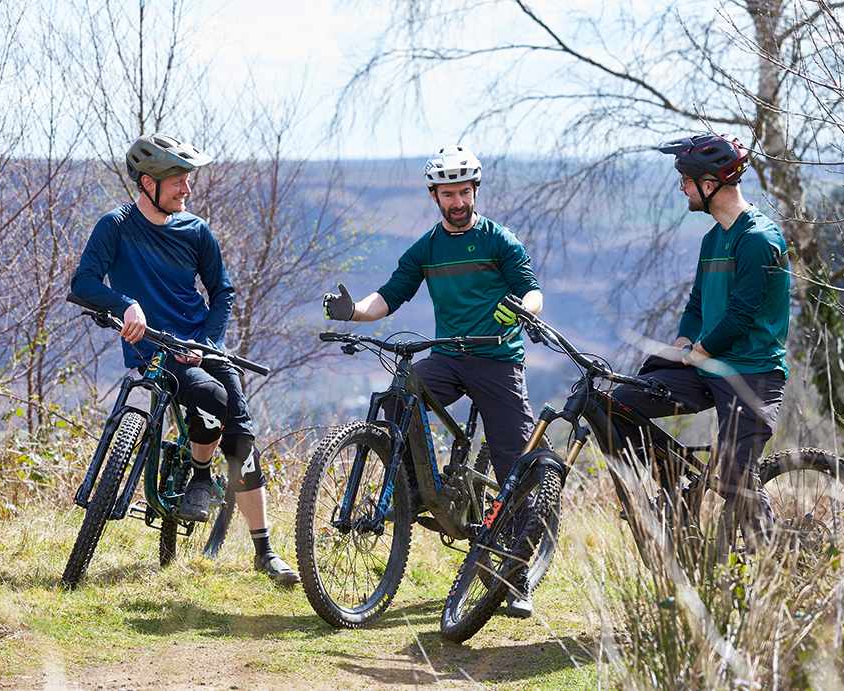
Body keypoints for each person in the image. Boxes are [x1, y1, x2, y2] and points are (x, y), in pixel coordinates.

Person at [322, 144, 544, 617]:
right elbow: (390, 295)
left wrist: (525, 309)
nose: (458, 201)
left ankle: (518, 574)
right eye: (449, 194)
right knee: (397, 397)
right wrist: (354, 312)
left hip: (498, 358)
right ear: (435, 196)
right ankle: (414, 488)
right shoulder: (427, 248)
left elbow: (532, 289)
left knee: (513, 459)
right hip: (448, 357)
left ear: (474, 191)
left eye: (464, 192)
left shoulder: (499, 241)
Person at [70, 133, 299, 585]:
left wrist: (208, 343)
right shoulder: (114, 226)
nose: (186, 189)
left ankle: (262, 549)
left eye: (187, 180)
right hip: (153, 350)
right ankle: (194, 473)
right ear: (147, 182)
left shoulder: (196, 231)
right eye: (178, 180)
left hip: (201, 344)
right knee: (207, 396)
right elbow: (83, 283)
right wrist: (124, 304)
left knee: (239, 429)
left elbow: (223, 292)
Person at [614, 133, 791, 546]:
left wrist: (702, 350)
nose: (682, 188)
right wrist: (683, 341)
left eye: (685, 180)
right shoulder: (714, 238)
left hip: (752, 373)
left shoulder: (758, 240)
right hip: (706, 366)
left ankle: (777, 561)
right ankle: (669, 479)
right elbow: (697, 303)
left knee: (734, 478)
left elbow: (741, 315)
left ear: (709, 185)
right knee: (617, 404)